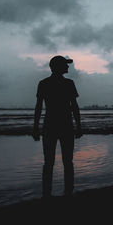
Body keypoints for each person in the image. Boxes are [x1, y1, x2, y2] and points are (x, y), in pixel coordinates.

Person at [32, 55, 83, 198]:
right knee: (67, 161)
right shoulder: (68, 84)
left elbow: (38, 107)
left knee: (49, 162)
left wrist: (35, 127)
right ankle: (68, 192)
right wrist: (79, 126)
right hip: (65, 125)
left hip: (50, 125)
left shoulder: (44, 83)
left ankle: (47, 193)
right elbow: (74, 107)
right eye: (65, 65)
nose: (68, 67)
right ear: (58, 67)